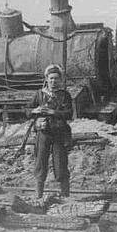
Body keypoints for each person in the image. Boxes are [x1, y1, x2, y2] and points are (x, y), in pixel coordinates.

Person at [26, 64, 73, 198]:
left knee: (61, 165)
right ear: (46, 79)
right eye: (51, 78)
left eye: (56, 79)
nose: (53, 81)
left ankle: (65, 196)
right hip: (43, 133)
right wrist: (35, 111)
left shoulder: (65, 95)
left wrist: (53, 112)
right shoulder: (39, 94)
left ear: (60, 80)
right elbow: (27, 111)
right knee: (40, 163)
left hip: (60, 134)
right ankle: (38, 196)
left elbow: (69, 114)